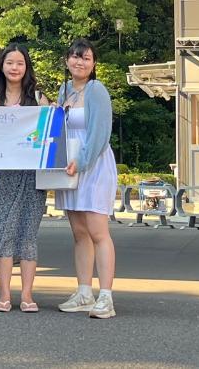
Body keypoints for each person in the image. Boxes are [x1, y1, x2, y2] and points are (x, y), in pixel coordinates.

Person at [0, 43, 48, 313]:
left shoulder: (38, 97)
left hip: (31, 175)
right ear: (2, 66)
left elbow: (49, 132)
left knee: (27, 233)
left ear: (27, 67)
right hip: (0, 173)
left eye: (20, 63)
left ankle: (27, 295)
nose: (15, 68)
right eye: (10, 62)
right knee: (2, 231)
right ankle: (4, 295)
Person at [55, 38, 118, 319]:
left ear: (93, 64)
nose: (79, 62)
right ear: (67, 60)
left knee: (97, 231)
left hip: (93, 166)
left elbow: (99, 134)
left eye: (86, 58)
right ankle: (84, 292)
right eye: (75, 56)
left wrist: (81, 162)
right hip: (69, 167)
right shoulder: (64, 90)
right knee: (79, 232)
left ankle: (106, 297)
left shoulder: (96, 90)